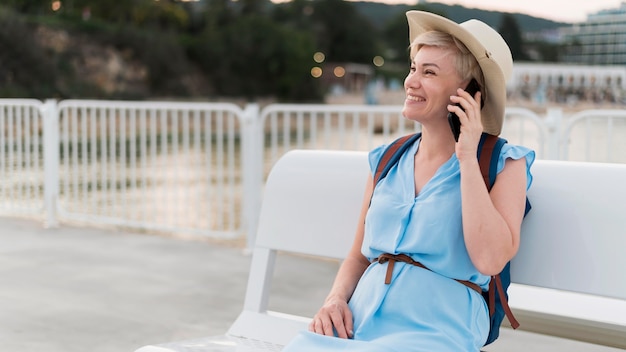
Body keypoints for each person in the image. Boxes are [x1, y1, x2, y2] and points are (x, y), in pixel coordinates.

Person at [282, 10, 535, 352]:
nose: (411, 81)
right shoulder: (388, 159)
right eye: (414, 68)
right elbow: (358, 257)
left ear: (470, 92)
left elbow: (490, 261)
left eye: (429, 72)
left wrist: (467, 157)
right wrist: (334, 301)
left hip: (438, 330)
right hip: (359, 324)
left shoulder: (503, 162)